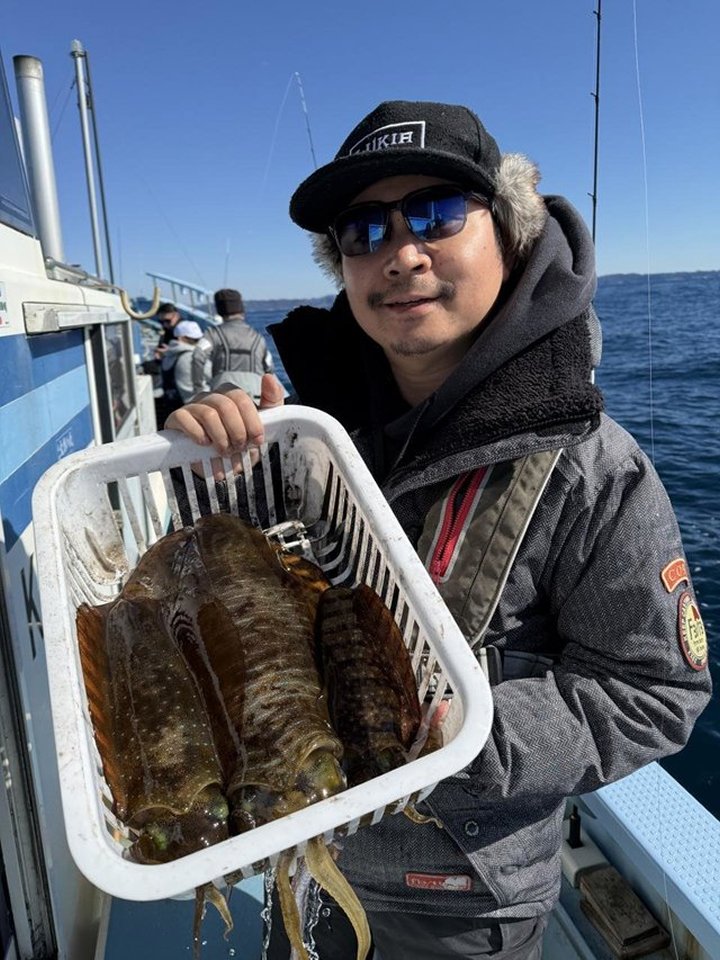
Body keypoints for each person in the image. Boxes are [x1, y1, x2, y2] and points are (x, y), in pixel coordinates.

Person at [165, 100, 712, 959]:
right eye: (362, 231)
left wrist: (476, 731)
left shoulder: (594, 469)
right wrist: (214, 467)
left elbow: (655, 691)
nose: (401, 253)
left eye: (434, 214)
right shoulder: (307, 431)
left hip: (462, 905)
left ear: (510, 231)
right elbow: (236, 608)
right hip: (296, 853)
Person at [189, 287, 274, 400]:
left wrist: (198, 389)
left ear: (219, 310)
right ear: (242, 309)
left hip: (225, 396)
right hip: (256, 395)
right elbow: (269, 367)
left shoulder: (213, 334)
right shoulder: (258, 338)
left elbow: (197, 356)